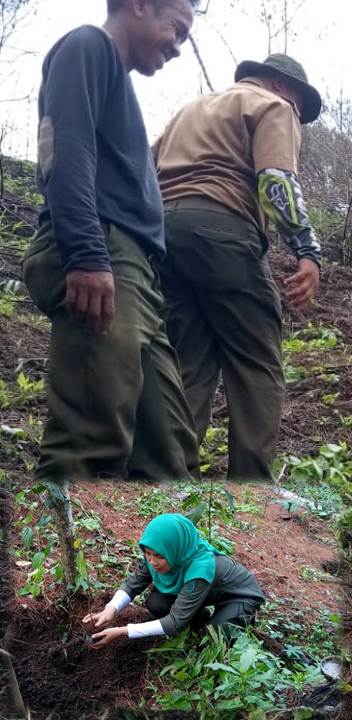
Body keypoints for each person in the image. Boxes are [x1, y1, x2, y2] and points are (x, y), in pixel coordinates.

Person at [20, 0, 200, 482]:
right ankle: (56, 554)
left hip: (135, 273)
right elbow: (67, 149)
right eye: (176, 29)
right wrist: (86, 253)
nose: (178, 48)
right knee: (89, 440)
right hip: (101, 251)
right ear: (139, 6)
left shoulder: (117, 81)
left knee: (170, 451)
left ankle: (162, 556)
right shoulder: (88, 45)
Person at [152, 54, 324, 481]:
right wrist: (308, 250)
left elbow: (142, 171)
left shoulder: (189, 111)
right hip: (224, 231)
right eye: (300, 106)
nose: (297, 116)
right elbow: (276, 181)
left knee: (188, 362)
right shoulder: (273, 105)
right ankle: (252, 491)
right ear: (283, 85)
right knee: (257, 363)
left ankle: (169, 484)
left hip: (164, 234)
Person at [83, 513, 265, 647]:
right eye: (147, 554)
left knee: (216, 637)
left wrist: (123, 631)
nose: (152, 561)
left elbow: (175, 621)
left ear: (174, 549)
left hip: (239, 596)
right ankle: (198, 622)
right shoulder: (157, 554)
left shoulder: (200, 569)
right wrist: (111, 608)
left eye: (159, 556)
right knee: (157, 602)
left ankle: (229, 620)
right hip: (208, 591)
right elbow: (134, 583)